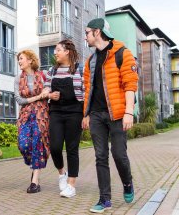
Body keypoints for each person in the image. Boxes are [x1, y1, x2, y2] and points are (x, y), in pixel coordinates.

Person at [82, 18, 138, 213]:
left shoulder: (123, 54)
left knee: (119, 154)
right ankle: (105, 199)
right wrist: (86, 114)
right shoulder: (91, 61)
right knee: (100, 156)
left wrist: (129, 112)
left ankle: (128, 183)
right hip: (97, 115)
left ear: (97, 32)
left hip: (118, 114)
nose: (85, 36)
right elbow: (88, 89)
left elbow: (130, 85)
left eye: (87, 32)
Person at [44, 39, 83, 198]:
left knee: (72, 149)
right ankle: (62, 173)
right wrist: (49, 94)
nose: (55, 53)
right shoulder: (52, 71)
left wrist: (86, 114)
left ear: (67, 51)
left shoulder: (79, 69)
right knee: (55, 147)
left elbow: (86, 91)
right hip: (56, 111)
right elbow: (46, 89)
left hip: (75, 111)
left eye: (58, 50)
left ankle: (71, 185)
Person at [14, 50, 50, 193]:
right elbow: (19, 100)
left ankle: (35, 180)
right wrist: (38, 96)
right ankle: (34, 164)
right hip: (25, 115)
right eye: (18, 60)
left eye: (21, 59)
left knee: (37, 144)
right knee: (23, 145)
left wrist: (47, 91)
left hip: (41, 115)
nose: (19, 61)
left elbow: (50, 89)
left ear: (30, 60)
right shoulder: (17, 79)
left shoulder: (43, 76)